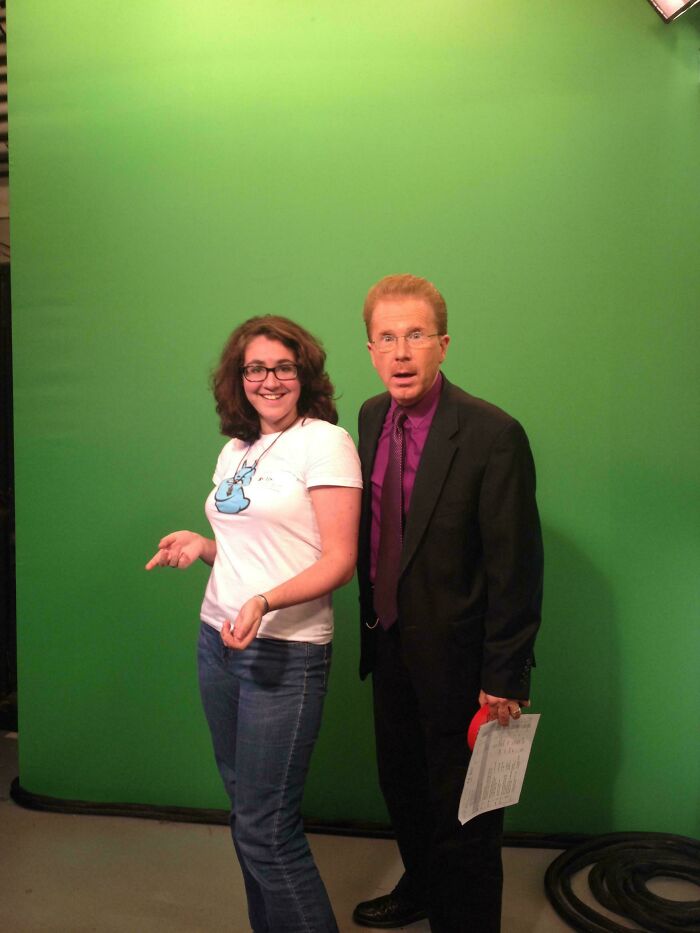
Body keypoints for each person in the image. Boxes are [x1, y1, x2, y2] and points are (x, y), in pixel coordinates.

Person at [146, 315, 362, 933]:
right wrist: (201, 544)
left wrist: (264, 604)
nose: (269, 380)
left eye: (283, 367)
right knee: (246, 817)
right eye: (255, 368)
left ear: (304, 374)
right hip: (217, 643)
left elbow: (339, 560)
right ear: (238, 379)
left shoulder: (324, 442)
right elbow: (250, 546)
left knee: (268, 830)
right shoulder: (236, 448)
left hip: (284, 654)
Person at [353, 275, 543, 932]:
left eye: (415, 335)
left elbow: (516, 566)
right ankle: (422, 887)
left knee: (467, 818)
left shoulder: (493, 434)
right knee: (403, 790)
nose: (401, 352)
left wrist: (504, 675)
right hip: (390, 647)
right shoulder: (371, 417)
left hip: (465, 669)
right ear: (371, 350)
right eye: (387, 337)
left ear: (443, 344)